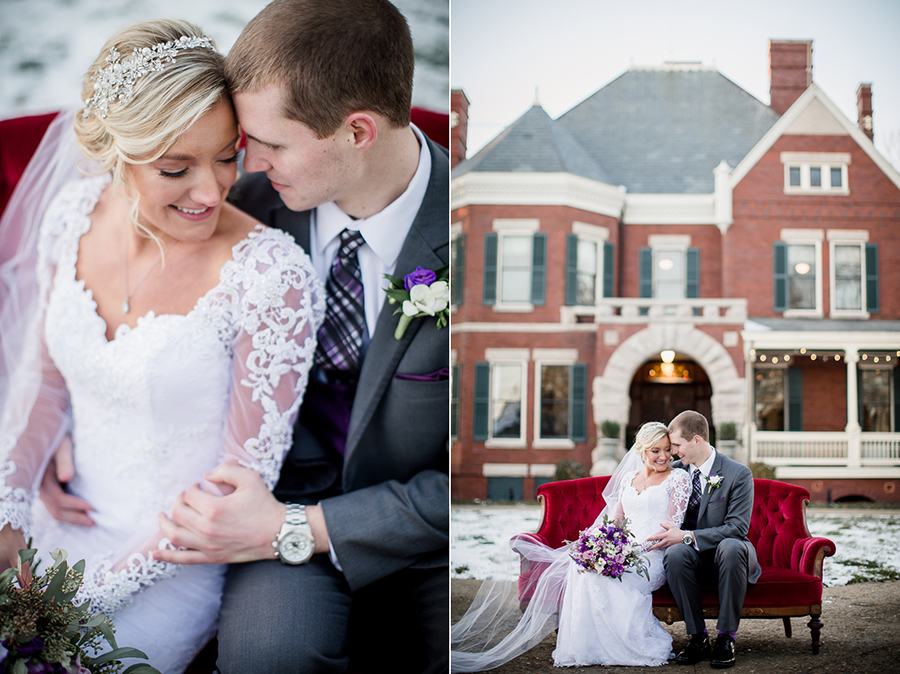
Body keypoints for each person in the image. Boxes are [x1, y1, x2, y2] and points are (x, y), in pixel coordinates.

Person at [131, 2, 447, 672]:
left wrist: (301, 529)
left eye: (270, 143)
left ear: (357, 130)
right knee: (269, 656)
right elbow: (133, 315)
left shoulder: (483, 225)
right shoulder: (239, 211)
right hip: (270, 512)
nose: (245, 161)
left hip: (429, 540)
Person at [0, 19, 323, 674]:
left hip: (174, 559)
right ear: (114, 155)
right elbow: (46, 383)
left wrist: (84, 596)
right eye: (177, 168)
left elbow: (235, 488)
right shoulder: (71, 214)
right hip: (58, 509)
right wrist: (8, 515)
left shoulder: (271, 276)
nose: (213, 190)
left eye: (227, 155)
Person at [451, 422, 691, 671]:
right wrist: (597, 545)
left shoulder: (678, 478)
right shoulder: (629, 478)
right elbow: (615, 521)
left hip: (651, 557)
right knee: (583, 570)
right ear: (641, 451)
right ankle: (587, 647)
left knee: (605, 578)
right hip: (623, 550)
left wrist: (631, 552)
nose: (663, 456)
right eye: (655, 451)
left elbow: (670, 528)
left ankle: (626, 645)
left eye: (666, 450)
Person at [645, 410, 761, 669]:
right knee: (674, 554)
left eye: (676, 445)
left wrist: (687, 535)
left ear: (696, 440)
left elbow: (737, 528)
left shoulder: (738, 474)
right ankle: (698, 637)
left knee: (731, 547)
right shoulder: (674, 472)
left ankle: (726, 637)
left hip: (730, 556)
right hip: (693, 557)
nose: (672, 452)